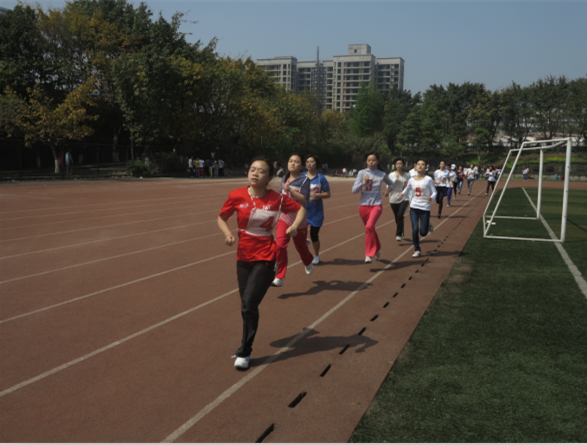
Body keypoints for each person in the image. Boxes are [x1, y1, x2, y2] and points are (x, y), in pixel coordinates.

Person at [217, 157, 307, 370]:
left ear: (269, 178)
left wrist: (294, 226)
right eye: (252, 169)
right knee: (247, 305)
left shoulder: (277, 198)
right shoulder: (236, 195)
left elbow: (301, 209)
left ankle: (245, 351)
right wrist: (228, 234)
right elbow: (221, 217)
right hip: (243, 258)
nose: (255, 173)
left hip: (266, 256)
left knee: (249, 303)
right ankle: (247, 342)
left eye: (261, 171)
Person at [273, 153, 315, 287]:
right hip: (284, 218)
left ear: (302, 166)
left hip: (298, 219)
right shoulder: (284, 177)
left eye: (296, 162)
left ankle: (308, 261)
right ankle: (279, 277)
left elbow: (304, 200)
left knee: (301, 248)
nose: (292, 163)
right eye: (290, 161)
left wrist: (291, 190)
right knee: (280, 245)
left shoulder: (304, 180)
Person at [352, 152, 394, 263]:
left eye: (373, 160)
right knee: (369, 229)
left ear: (378, 161)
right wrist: (363, 182)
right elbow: (354, 190)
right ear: (366, 161)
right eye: (369, 160)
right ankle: (376, 248)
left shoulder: (381, 174)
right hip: (363, 206)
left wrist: (387, 191)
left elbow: (392, 184)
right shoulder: (362, 173)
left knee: (369, 226)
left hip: (376, 204)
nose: (371, 162)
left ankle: (368, 254)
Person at [399, 159, 436, 258]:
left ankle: (427, 225)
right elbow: (407, 189)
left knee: (423, 233)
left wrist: (431, 197)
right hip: (414, 207)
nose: (420, 166)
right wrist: (402, 193)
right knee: (415, 229)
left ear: (426, 167)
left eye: (422, 164)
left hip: (425, 208)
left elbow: (435, 192)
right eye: (418, 164)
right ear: (415, 167)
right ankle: (417, 249)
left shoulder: (428, 179)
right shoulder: (411, 180)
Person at [303, 155, 331, 265]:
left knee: (314, 235)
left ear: (316, 164)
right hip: (303, 211)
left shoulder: (321, 178)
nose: (309, 164)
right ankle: (304, 240)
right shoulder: (301, 176)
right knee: (298, 233)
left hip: (316, 211)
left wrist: (318, 195)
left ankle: (316, 255)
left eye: (311, 161)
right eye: (307, 161)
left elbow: (328, 194)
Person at [384, 157, 410, 241]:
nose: (399, 165)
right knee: (397, 216)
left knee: (400, 215)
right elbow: (388, 186)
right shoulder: (391, 175)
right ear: (395, 165)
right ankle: (400, 228)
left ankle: (399, 234)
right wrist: (395, 180)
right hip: (393, 198)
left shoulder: (407, 175)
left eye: (400, 163)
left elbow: (410, 186)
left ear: (403, 165)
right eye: (397, 163)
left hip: (404, 197)